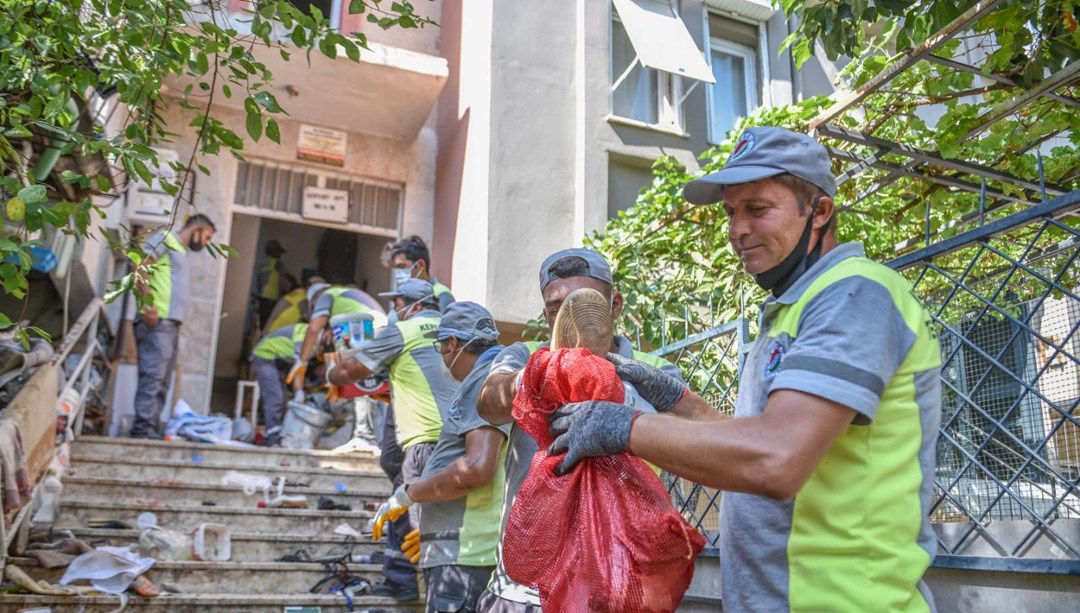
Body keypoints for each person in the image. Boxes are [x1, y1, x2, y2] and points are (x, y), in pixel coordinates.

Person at [546, 127, 943, 612]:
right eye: (731, 212)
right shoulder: (792, 308)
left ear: (819, 211)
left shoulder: (855, 294)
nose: (737, 230)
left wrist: (625, 427)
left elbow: (776, 459)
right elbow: (753, 445)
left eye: (758, 209)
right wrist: (680, 402)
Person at [474, 247, 705, 612]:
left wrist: (625, 409)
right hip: (522, 590)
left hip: (617, 583)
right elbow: (488, 401)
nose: (570, 318)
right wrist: (536, 376)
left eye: (585, 303)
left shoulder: (654, 372)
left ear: (614, 304)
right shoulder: (524, 355)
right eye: (556, 308)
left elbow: (694, 444)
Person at [327, 278, 460, 602]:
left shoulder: (403, 330)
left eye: (397, 304)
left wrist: (330, 373)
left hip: (424, 441)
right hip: (460, 437)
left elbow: (351, 371)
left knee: (423, 522)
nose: (395, 310)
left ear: (412, 305)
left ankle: (433, 595)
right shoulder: (451, 329)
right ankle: (401, 576)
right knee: (415, 497)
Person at [370, 302, 508, 613]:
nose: (442, 358)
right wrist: (434, 531)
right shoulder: (495, 376)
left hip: (467, 555)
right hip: (467, 548)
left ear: (454, 343)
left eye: (441, 347)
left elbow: (476, 469)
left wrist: (408, 494)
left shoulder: (483, 380)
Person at [130, 214, 216, 439]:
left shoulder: (181, 250)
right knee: (153, 376)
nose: (205, 243)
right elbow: (138, 263)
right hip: (157, 320)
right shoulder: (166, 237)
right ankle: (142, 429)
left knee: (163, 379)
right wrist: (148, 304)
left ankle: (150, 427)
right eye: (206, 237)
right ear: (196, 229)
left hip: (170, 323)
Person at [287, 282, 387, 451]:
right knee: (375, 391)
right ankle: (375, 441)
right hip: (381, 334)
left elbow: (312, 329)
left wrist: (301, 362)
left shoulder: (328, 295)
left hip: (365, 331)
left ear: (315, 298)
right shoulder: (349, 297)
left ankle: (362, 439)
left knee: (358, 387)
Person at [249, 322, 309, 446]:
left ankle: (278, 436)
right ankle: (272, 440)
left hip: (277, 361)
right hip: (265, 356)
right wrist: (299, 391)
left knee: (282, 401)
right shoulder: (306, 335)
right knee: (275, 398)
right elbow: (299, 367)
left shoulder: (313, 336)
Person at [385, 235, 455, 313]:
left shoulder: (442, 295)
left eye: (402, 266)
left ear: (420, 265)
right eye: (396, 268)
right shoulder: (403, 295)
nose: (397, 274)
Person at [253, 239, 296, 328]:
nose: (280, 255)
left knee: (263, 322)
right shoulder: (277, 263)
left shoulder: (262, 262)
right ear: (273, 251)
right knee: (269, 323)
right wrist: (295, 283)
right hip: (271, 297)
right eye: (278, 252)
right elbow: (287, 277)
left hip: (262, 296)